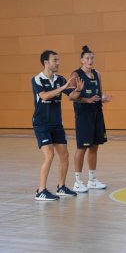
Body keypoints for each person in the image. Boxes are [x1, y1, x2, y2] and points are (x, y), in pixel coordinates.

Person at [32, 50, 83, 201]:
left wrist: (78, 90)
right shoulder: (37, 79)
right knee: (49, 155)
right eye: (55, 60)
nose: (58, 63)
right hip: (42, 124)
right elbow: (45, 96)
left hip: (57, 124)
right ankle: (41, 191)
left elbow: (72, 97)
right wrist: (63, 87)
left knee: (64, 155)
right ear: (46, 63)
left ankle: (61, 187)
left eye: (58, 60)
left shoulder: (60, 79)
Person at [70, 46, 112, 193]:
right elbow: (71, 97)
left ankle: (92, 180)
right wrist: (86, 99)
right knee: (82, 147)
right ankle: (77, 181)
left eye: (92, 58)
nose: (90, 61)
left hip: (97, 114)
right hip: (83, 116)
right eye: (87, 58)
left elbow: (99, 93)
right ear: (82, 60)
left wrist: (104, 98)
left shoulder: (97, 74)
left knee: (94, 146)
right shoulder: (76, 74)